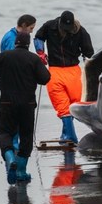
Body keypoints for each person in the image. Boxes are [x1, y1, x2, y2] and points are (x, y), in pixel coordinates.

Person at [0, 32, 51, 184]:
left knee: (4, 132)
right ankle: (21, 171)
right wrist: (40, 65)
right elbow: (45, 78)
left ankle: (9, 157)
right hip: (27, 104)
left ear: (15, 42)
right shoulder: (33, 59)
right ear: (28, 44)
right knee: (26, 136)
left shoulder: (4, 56)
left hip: (7, 103)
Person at [33, 10, 94, 144]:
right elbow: (38, 37)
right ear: (59, 22)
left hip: (73, 70)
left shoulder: (80, 31)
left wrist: (90, 69)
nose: (66, 31)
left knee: (75, 102)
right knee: (61, 103)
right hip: (54, 70)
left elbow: (89, 52)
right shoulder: (50, 26)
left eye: (69, 28)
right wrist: (40, 52)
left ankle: (66, 133)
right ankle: (70, 137)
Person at [0, 14, 42, 153]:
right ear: (23, 25)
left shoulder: (11, 36)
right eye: (30, 28)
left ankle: (12, 150)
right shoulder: (13, 39)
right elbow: (16, 63)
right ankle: (14, 150)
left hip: (8, 86)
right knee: (16, 121)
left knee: (11, 120)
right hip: (16, 87)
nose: (31, 31)